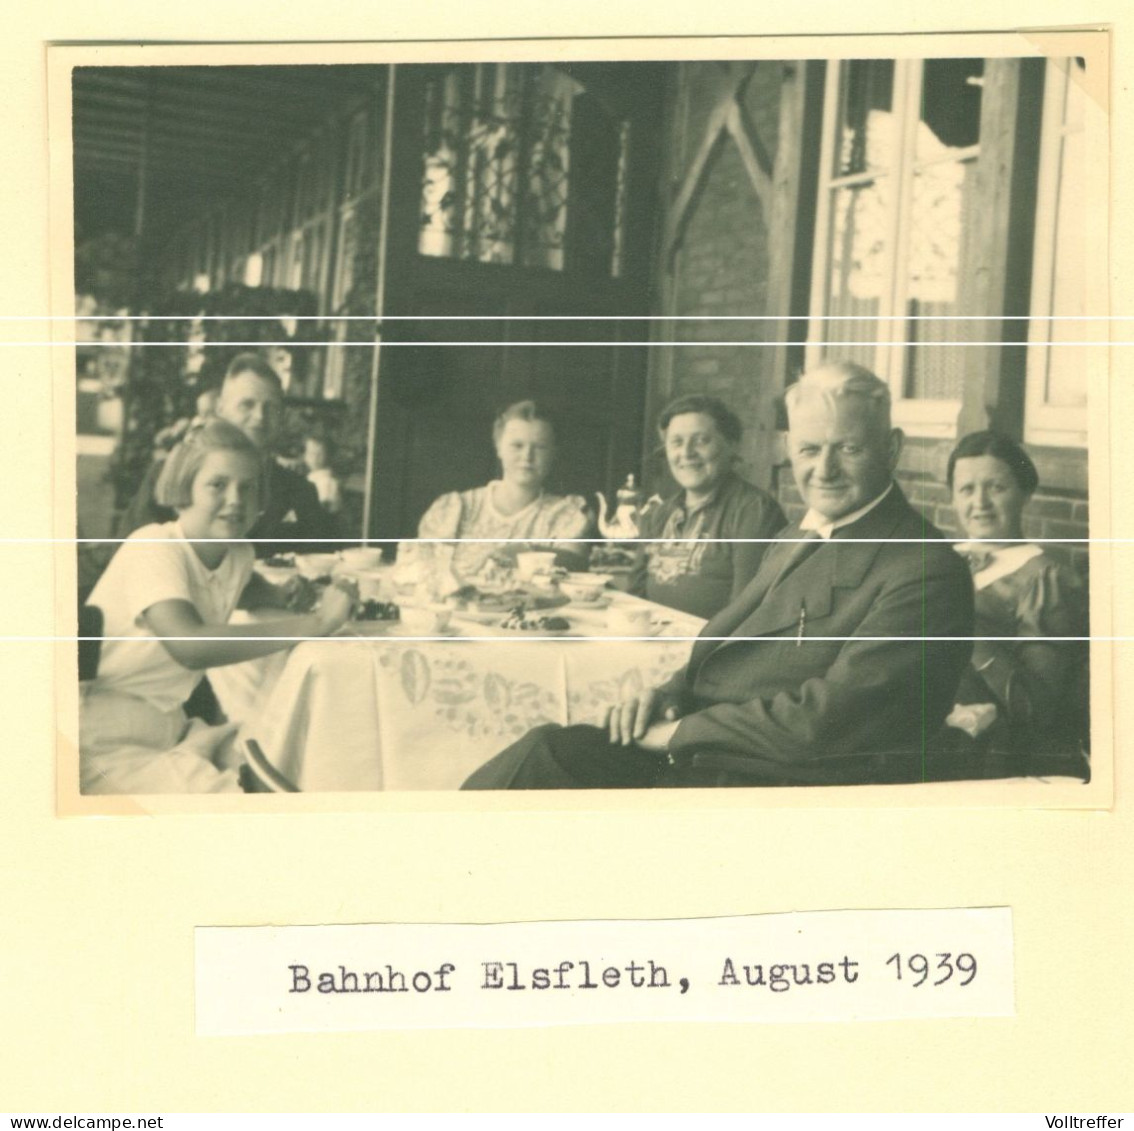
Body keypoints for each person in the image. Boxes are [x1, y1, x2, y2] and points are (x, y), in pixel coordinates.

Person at [463, 362, 975, 790]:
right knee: (541, 757)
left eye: (849, 449)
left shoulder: (924, 570)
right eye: (809, 450)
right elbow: (728, 642)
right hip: (719, 756)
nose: (825, 469)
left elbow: (828, 722)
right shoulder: (802, 533)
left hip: (775, 785)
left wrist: (680, 731)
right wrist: (666, 694)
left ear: (893, 448)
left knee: (546, 766)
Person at [81, 420, 357, 795]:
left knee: (297, 757)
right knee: (247, 800)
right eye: (217, 485)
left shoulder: (238, 555)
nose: (236, 500)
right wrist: (319, 621)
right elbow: (190, 646)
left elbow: (236, 585)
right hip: (101, 737)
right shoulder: (154, 546)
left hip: (170, 727)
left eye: (248, 488)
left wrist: (280, 595)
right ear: (184, 488)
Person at [946, 430, 1089, 774]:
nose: (979, 502)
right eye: (966, 489)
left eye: (996, 488)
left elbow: (1037, 708)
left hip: (987, 754)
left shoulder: (1046, 578)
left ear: (1025, 493)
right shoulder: (944, 560)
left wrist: (960, 621)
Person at [118, 352, 338, 557]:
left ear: (282, 418)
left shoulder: (300, 492)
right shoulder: (173, 475)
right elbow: (132, 559)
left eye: (271, 408)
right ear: (221, 410)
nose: (260, 417)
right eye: (247, 405)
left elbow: (323, 564)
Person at [397, 400, 592, 588]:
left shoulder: (566, 516)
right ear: (498, 447)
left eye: (540, 447)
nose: (527, 457)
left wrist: (522, 552)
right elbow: (422, 575)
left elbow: (572, 574)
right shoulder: (456, 508)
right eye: (517, 445)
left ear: (553, 453)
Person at [628, 394, 785, 619]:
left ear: (731, 445)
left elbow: (745, 613)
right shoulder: (660, 513)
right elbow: (635, 596)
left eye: (701, 440)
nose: (687, 453)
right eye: (676, 442)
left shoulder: (754, 511)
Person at [304, 431, 343, 516]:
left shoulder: (326, 481)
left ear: (328, 456)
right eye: (311, 453)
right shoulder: (312, 477)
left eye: (319, 454)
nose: (314, 459)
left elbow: (322, 511)